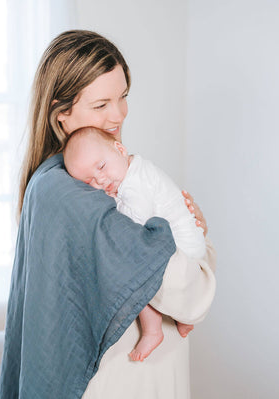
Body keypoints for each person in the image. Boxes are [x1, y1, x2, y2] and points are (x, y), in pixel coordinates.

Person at [0, 30, 216, 399]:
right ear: (61, 114)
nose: (118, 114)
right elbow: (190, 294)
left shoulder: (67, 182)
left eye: (123, 96)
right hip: (126, 379)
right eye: (101, 105)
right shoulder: (73, 196)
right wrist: (201, 244)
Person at [63, 126, 206, 362]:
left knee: (133, 275)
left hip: (184, 248)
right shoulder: (135, 168)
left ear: (120, 149)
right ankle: (182, 319)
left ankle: (152, 330)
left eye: (101, 167)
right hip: (189, 243)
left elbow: (135, 223)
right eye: (90, 181)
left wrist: (113, 202)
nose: (101, 180)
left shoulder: (134, 183)